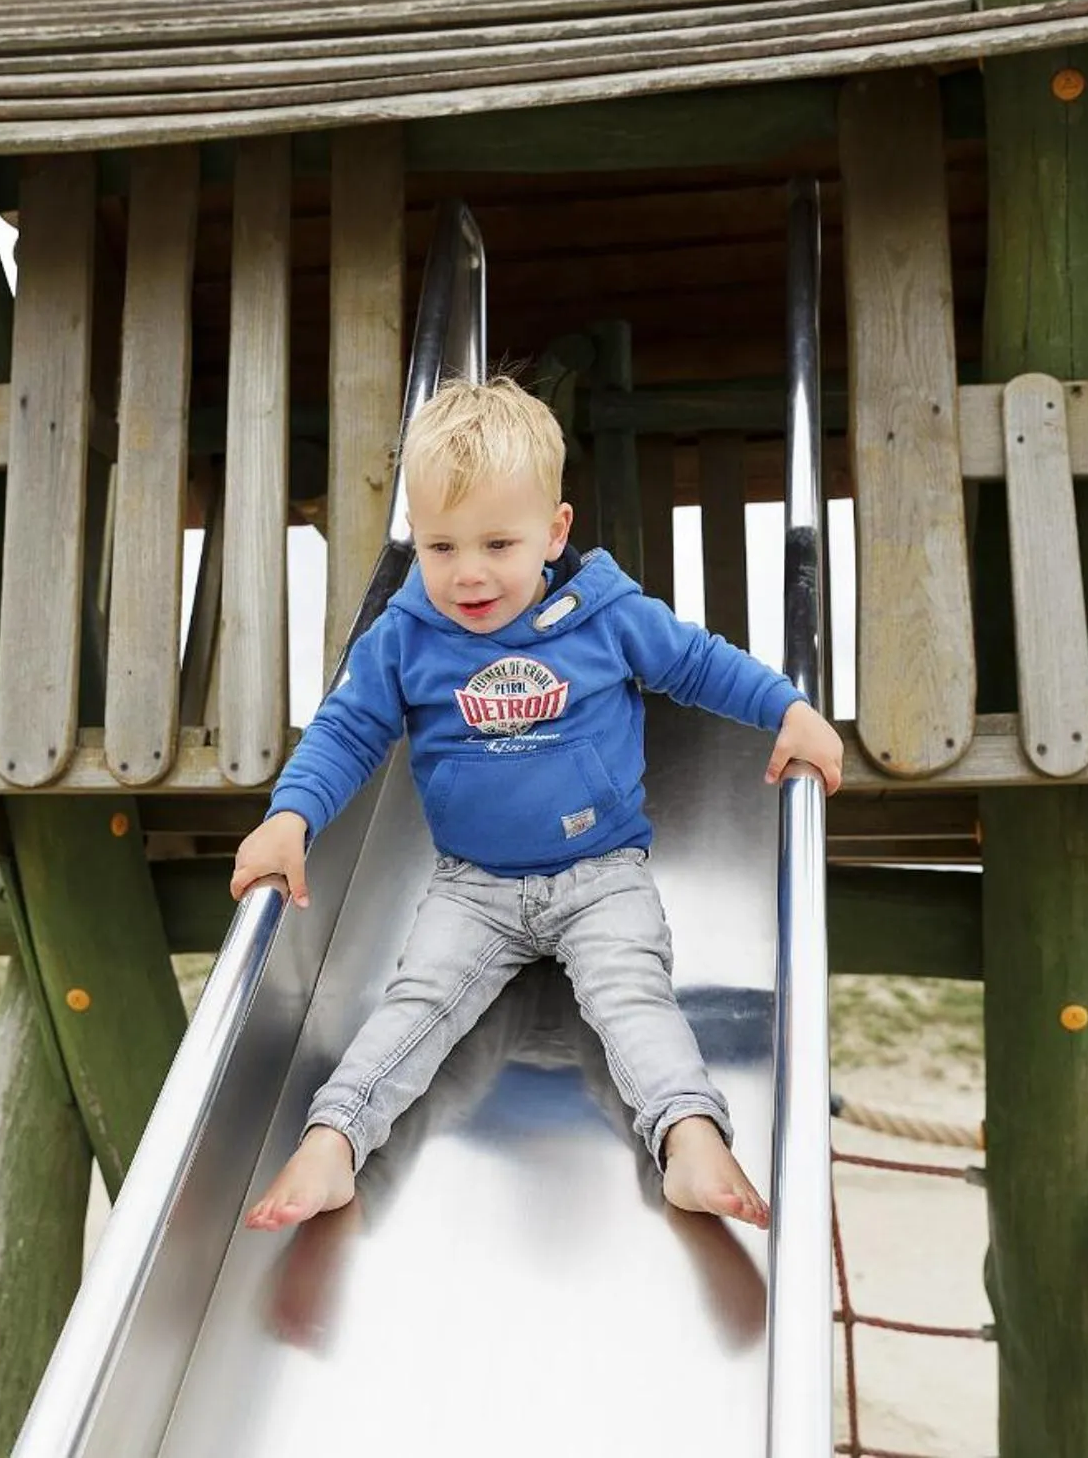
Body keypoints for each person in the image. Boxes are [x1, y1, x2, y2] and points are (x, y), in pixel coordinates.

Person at [232, 376, 844, 1234]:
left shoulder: (604, 613)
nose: (468, 573)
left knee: (635, 996)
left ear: (554, 531)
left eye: (496, 543)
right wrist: (289, 817)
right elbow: (346, 730)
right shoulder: (406, 635)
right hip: (472, 886)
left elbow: (700, 663)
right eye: (441, 547)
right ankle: (335, 1140)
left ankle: (690, 1137)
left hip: (601, 874)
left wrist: (788, 709)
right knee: (416, 1003)